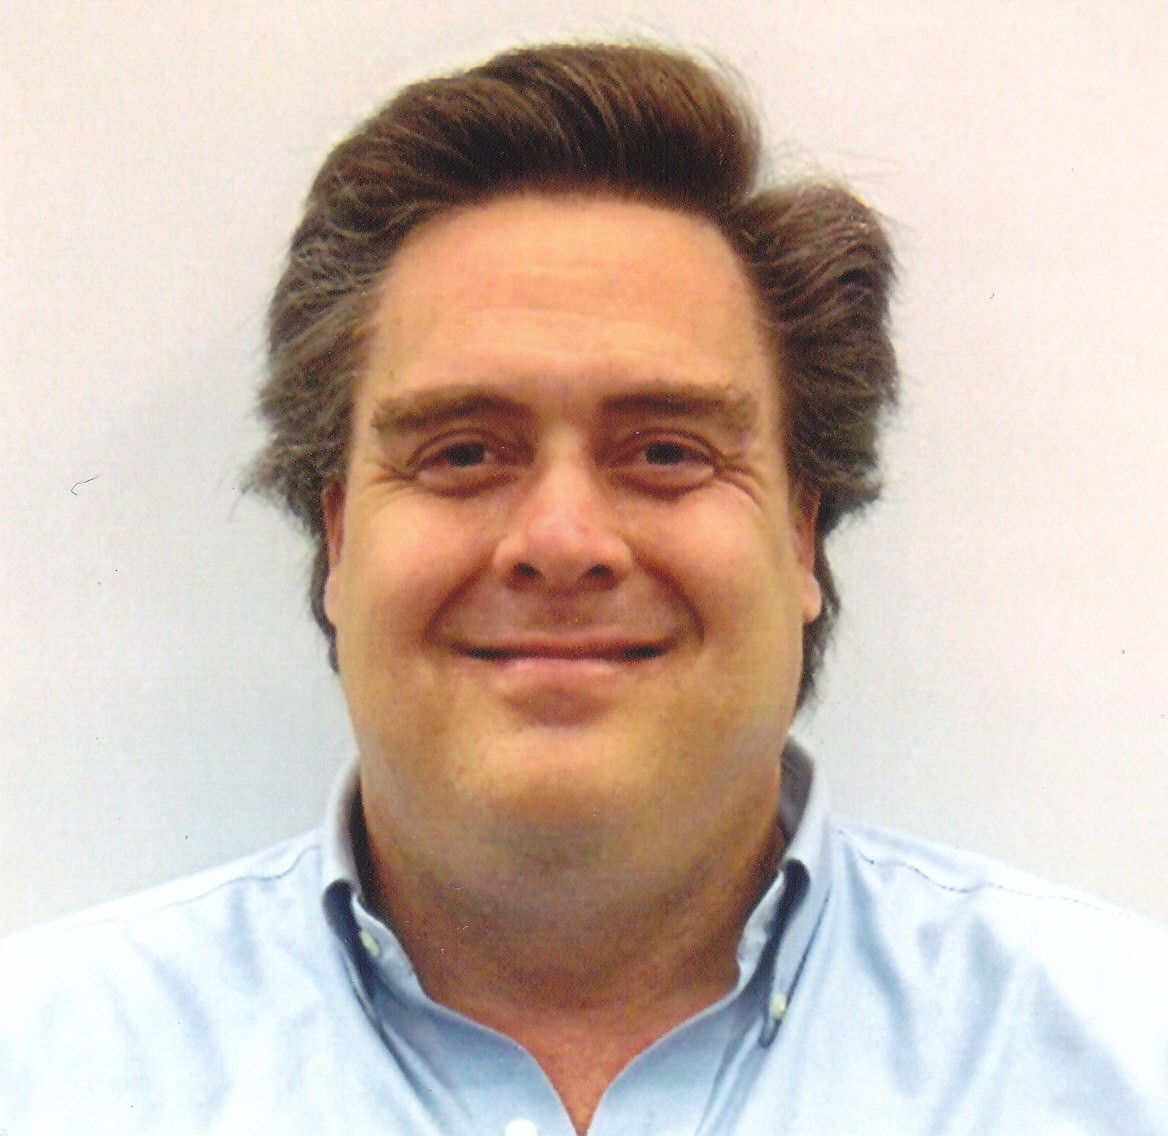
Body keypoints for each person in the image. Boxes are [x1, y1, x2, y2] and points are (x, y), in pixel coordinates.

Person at [1, 41, 1165, 1136]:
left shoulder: (1123, 1057)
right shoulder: (44, 1069)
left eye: (665, 451)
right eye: (463, 451)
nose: (561, 540)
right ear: (340, 535)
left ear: (801, 533)